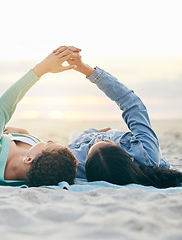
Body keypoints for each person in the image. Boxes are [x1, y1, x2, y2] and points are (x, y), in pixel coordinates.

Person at [53, 46, 182, 189]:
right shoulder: (147, 155)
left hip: (80, 138)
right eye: (108, 142)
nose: (98, 139)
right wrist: (86, 69)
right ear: (125, 155)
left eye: (92, 147)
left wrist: (91, 136)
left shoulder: (77, 164)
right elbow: (131, 103)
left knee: (75, 135)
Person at [0, 47, 80, 187]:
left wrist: (41, 69)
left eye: (48, 143)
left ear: (28, 160)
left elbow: (1, 108)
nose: (49, 140)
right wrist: (24, 133)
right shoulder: (40, 167)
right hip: (5, 139)